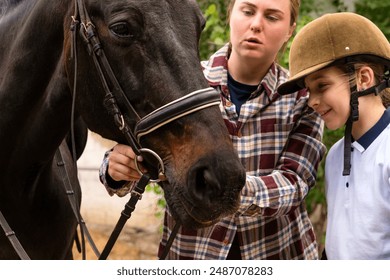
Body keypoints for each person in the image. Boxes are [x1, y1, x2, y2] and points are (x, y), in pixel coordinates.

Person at [99, 0, 326, 259]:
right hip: (193, 254)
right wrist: (116, 169)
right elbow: (134, 145)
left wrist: (226, 188)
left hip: (279, 253)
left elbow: (294, 182)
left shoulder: (302, 98)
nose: (256, 25)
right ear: (231, 15)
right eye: (248, 11)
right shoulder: (181, 83)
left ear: (290, 30)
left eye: (272, 17)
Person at [278, 12, 390, 259]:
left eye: (322, 86)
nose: (312, 102)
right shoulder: (335, 156)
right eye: (309, 90)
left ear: (363, 78)